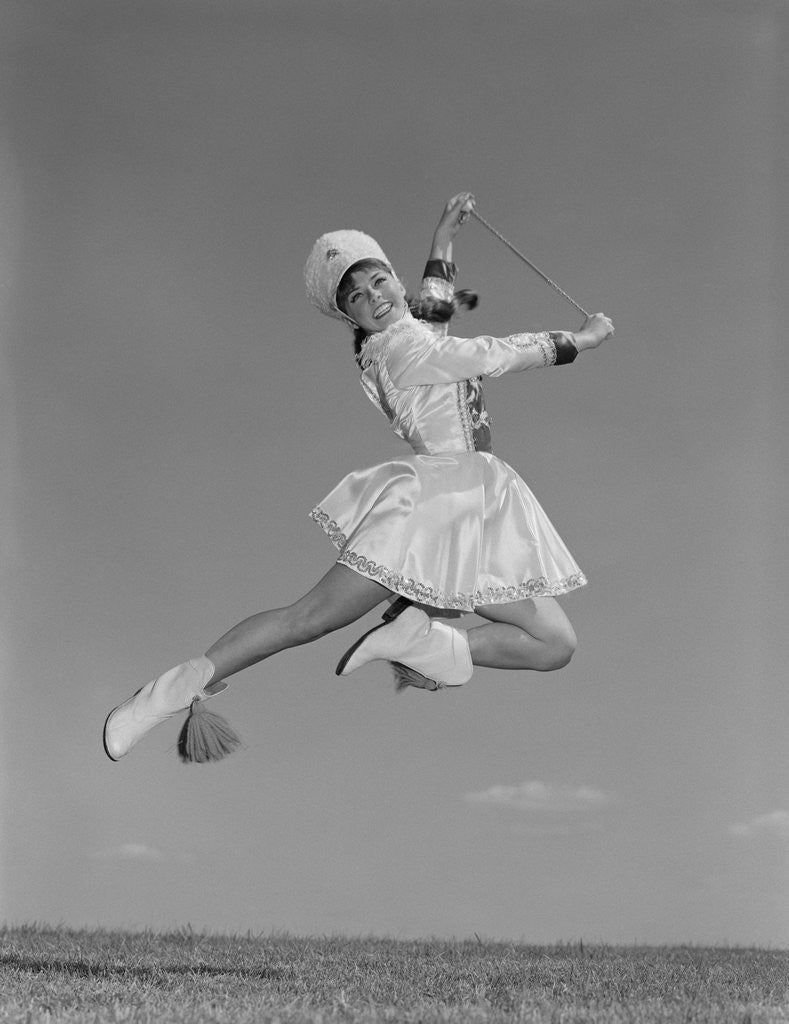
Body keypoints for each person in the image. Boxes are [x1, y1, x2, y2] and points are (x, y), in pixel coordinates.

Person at [103, 192, 614, 762]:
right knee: (309, 619)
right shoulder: (400, 348)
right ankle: (160, 697)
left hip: (476, 504)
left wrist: (443, 239)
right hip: (438, 503)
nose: (374, 297)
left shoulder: (408, 339)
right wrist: (579, 341)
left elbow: (435, 313)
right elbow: (487, 353)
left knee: (554, 644)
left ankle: (419, 638)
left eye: (379, 283)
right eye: (357, 297)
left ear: (396, 285)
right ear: (349, 316)